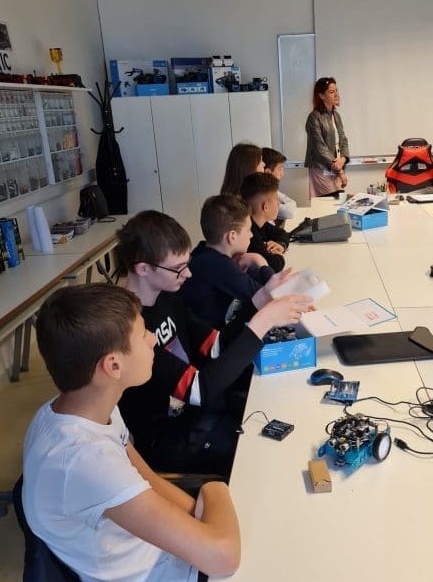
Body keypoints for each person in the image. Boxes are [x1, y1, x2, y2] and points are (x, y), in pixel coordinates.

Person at [23, 283, 404, 582]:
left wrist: (201, 511)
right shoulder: (84, 462)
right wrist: (215, 492)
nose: (152, 340)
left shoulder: (76, 409)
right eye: (141, 334)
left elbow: (143, 474)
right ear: (112, 365)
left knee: (280, 504)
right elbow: (222, 556)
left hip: (169, 559)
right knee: (338, 557)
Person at [116, 210, 308, 476]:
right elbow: (198, 390)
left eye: (187, 263)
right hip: (170, 439)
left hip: (202, 413)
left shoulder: (168, 298)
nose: (188, 274)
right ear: (143, 268)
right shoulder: (130, 330)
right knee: (267, 463)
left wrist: (261, 299)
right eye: (178, 268)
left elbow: (216, 345)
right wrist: (262, 322)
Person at [182, 193, 293, 328]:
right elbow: (271, 296)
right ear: (232, 236)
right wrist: (260, 261)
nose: (251, 235)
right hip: (213, 337)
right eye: (249, 230)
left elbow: (256, 282)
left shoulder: (204, 252)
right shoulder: (218, 265)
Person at [305, 76, 350, 197]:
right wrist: (339, 170)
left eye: (336, 91)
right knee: (328, 202)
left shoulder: (336, 116)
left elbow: (343, 140)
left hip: (336, 168)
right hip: (322, 168)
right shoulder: (314, 117)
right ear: (321, 96)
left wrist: (343, 159)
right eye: (331, 92)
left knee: (337, 201)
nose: (336, 94)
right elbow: (320, 147)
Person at [240, 171, 289, 272]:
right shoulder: (250, 235)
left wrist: (280, 244)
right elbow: (274, 266)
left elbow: (282, 233)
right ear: (266, 207)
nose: (279, 204)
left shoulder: (260, 223)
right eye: (276, 200)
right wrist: (279, 255)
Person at [262, 146, 297, 222]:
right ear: (268, 172)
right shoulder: (262, 194)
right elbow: (289, 212)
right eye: (280, 169)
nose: (282, 174)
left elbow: (292, 202)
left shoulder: (271, 189)